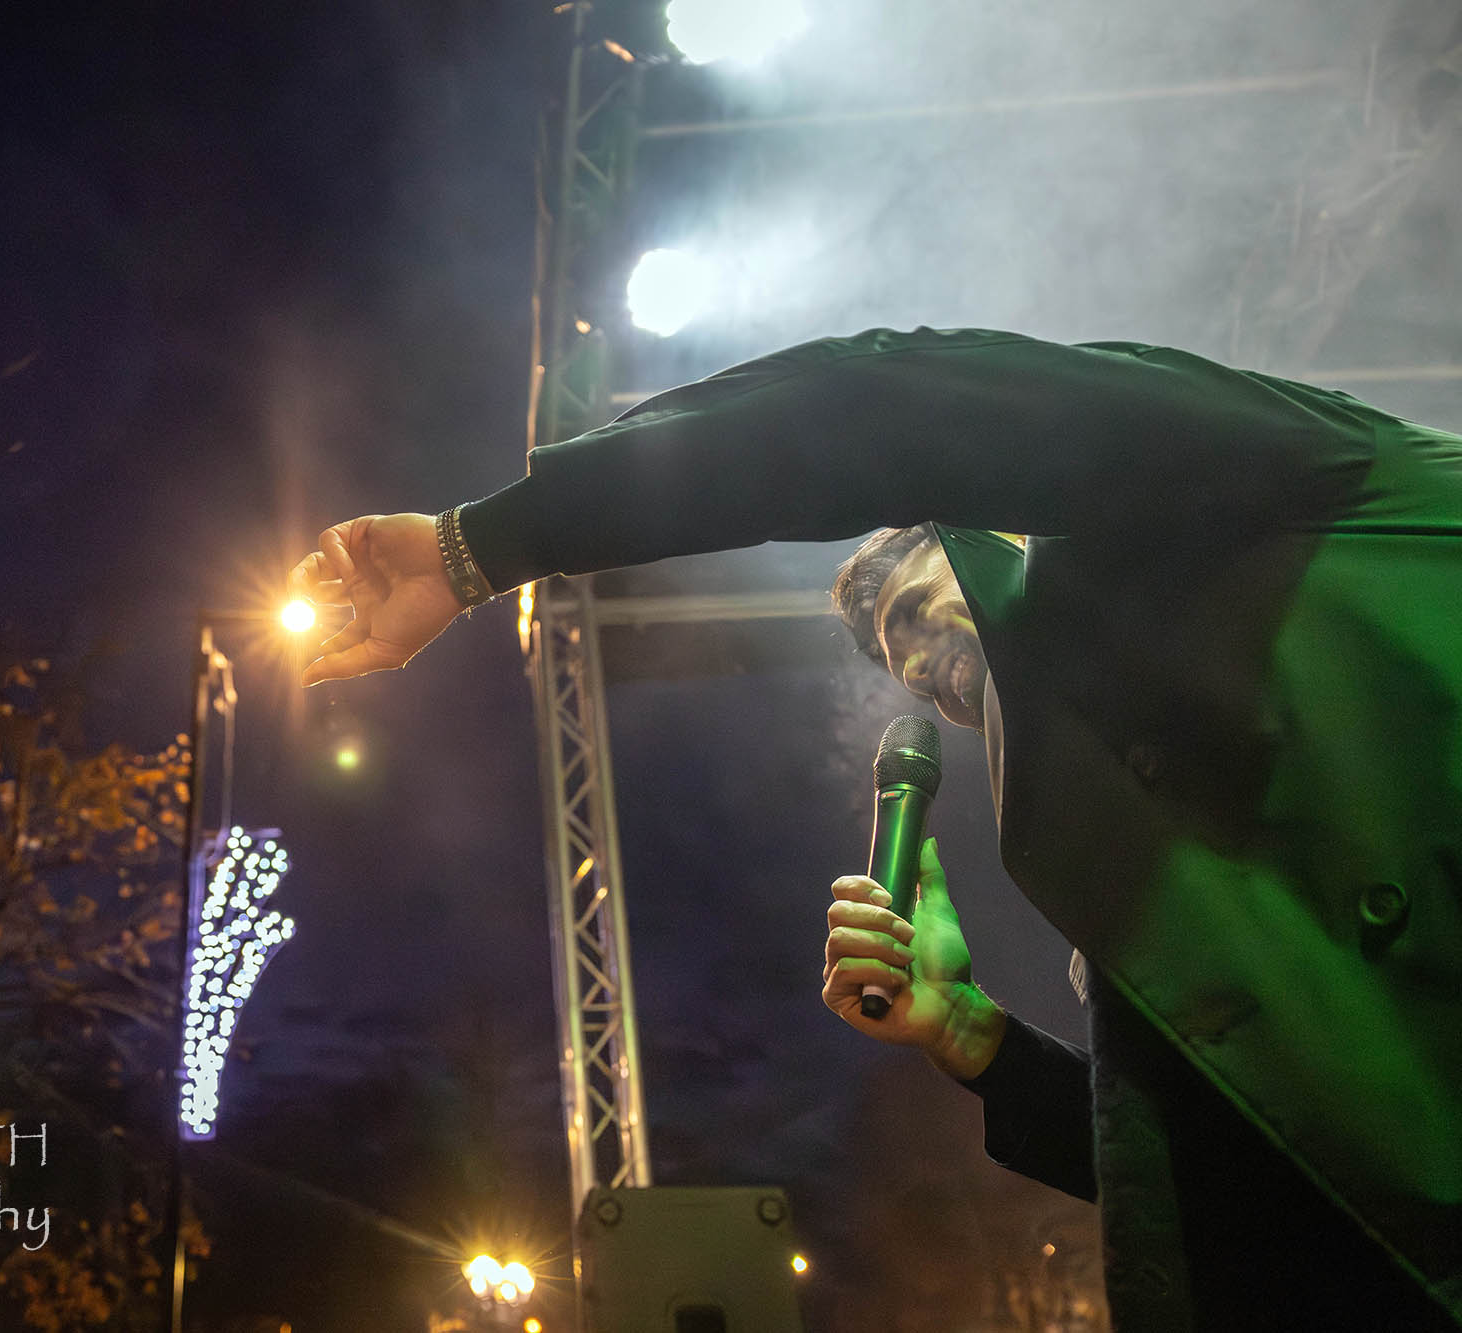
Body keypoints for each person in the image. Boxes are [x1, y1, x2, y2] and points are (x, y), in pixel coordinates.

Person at [289, 326, 1462, 1329]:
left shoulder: (1278, 482)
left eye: (919, 613)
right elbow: (1261, 1183)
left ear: (1002, 526)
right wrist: (974, 1040)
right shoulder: (1146, 879)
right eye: (912, 675)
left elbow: (885, 401)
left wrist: (476, 548)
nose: (934, 677)